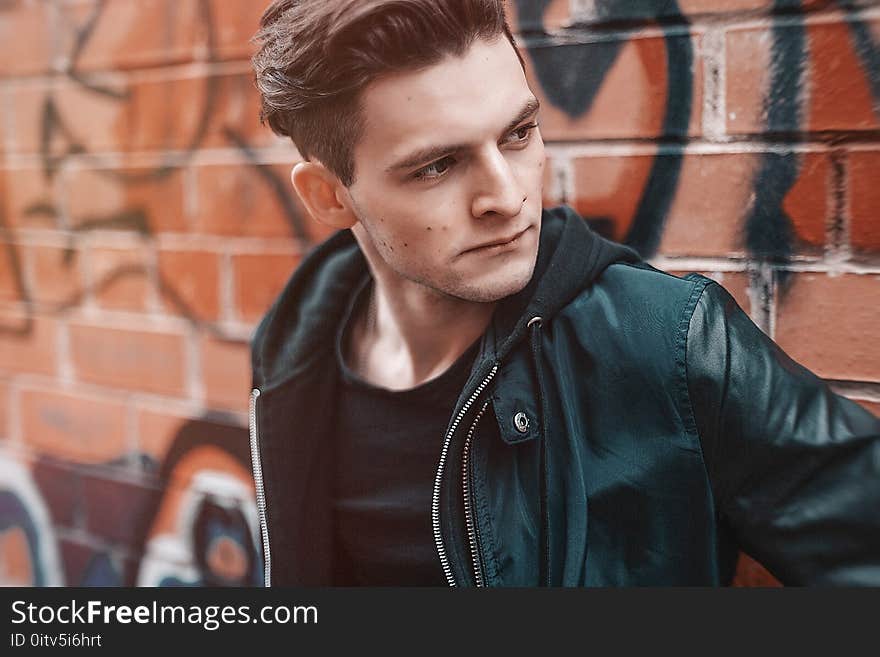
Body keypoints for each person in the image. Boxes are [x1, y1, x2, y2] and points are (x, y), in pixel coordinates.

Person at [247, 0, 880, 586]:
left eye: (518, 135)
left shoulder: (667, 340)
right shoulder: (294, 351)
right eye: (437, 166)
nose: (508, 196)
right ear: (330, 196)